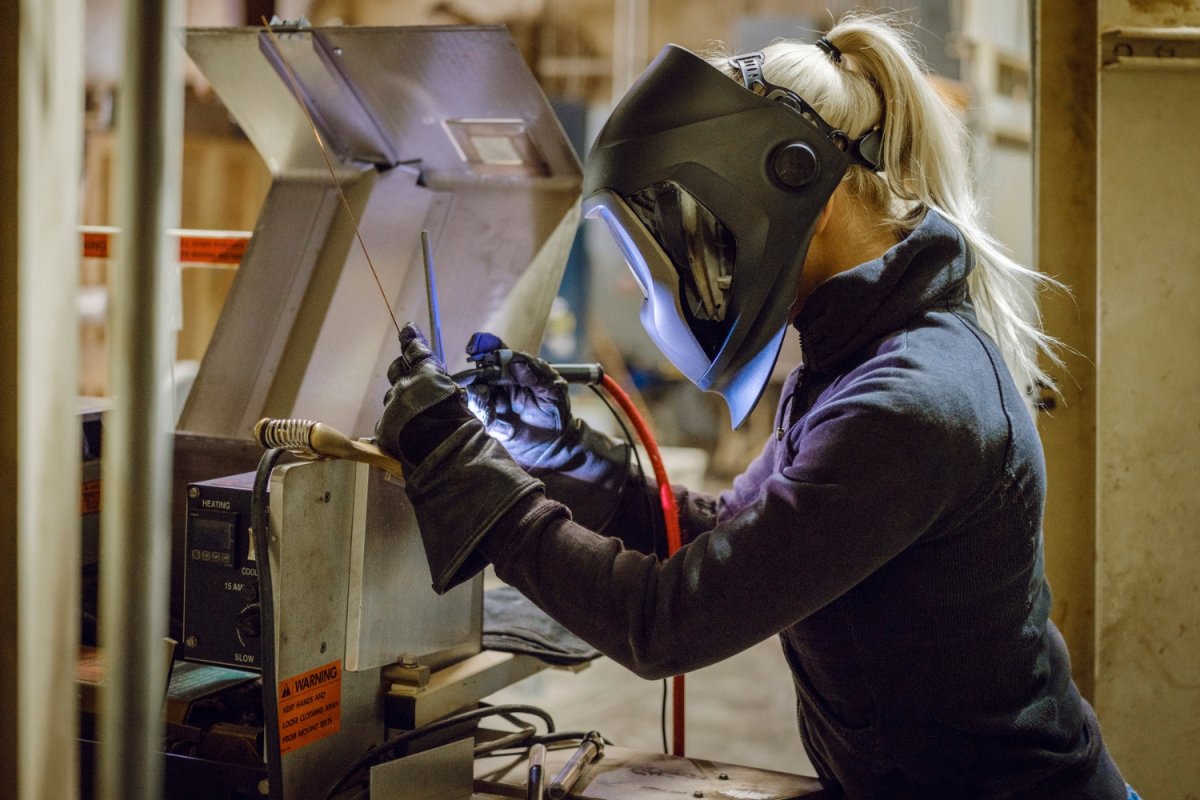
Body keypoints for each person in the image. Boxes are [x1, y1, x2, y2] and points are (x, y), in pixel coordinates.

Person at [374, 12, 1132, 799]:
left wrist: (481, 495)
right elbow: (728, 539)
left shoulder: (909, 402)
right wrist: (565, 460)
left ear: (806, 188)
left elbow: (665, 621)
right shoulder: (856, 355)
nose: (694, 255)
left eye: (708, 220)